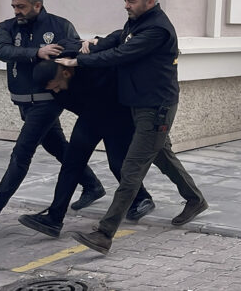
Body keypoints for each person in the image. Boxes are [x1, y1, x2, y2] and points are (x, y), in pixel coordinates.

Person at [57, 0, 207, 254]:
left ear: (149, 2)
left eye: (131, 1)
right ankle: (195, 199)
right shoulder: (137, 22)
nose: (125, 5)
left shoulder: (158, 29)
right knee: (162, 155)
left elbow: (121, 54)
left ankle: (104, 233)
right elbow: (116, 39)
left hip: (156, 107)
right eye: (125, 0)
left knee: (131, 169)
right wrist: (91, 42)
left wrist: (79, 61)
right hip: (139, 104)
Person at [0, 0, 105, 231]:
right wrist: (36, 53)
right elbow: (1, 50)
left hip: (47, 102)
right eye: (14, 6)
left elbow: (73, 49)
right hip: (22, 101)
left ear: (37, 5)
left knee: (22, 152)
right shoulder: (8, 26)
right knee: (57, 146)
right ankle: (92, 185)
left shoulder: (59, 25)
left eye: (22, 7)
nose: (17, 11)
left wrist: (66, 54)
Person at [17, 57, 157, 238]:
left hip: (116, 118)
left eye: (57, 86)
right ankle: (54, 219)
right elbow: (75, 104)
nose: (56, 91)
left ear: (66, 73)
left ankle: (142, 198)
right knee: (71, 165)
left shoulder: (94, 69)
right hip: (89, 119)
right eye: (52, 89)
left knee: (117, 164)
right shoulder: (54, 85)